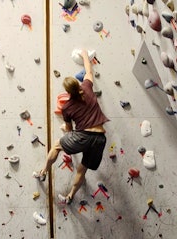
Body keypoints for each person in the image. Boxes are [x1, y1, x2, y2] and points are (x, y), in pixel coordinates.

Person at [38, 49, 109, 204]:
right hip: (100, 139)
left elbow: (70, 131)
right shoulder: (87, 87)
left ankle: (43, 172)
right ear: (78, 84)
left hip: (83, 136)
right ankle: (70, 196)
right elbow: (89, 70)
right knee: (82, 170)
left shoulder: (67, 107)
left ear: (67, 92)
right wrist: (84, 54)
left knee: (56, 146)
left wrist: (66, 130)